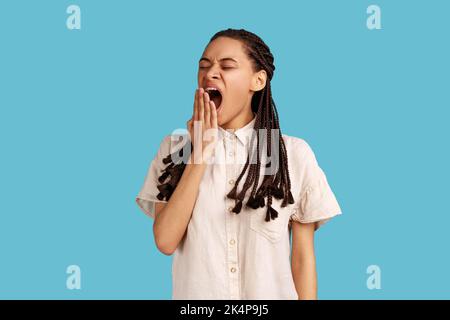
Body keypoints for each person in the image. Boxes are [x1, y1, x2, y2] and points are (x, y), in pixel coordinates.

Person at [136, 28, 342, 300]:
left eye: (227, 66)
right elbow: (165, 240)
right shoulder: (175, 149)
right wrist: (200, 152)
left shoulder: (293, 153)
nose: (210, 73)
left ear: (257, 81)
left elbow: (302, 260)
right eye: (204, 66)